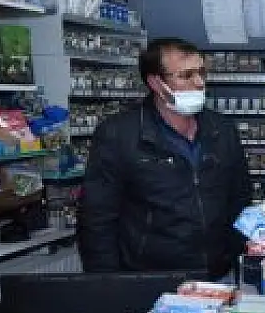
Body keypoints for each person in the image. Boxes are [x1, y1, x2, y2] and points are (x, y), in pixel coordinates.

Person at [78, 37, 251, 279]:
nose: (199, 83)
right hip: (151, 280)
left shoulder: (222, 129)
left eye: (201, 72)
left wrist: (240, 257)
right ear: (156, 83)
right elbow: (97, 219)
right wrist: (107, 285)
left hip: (219, 275)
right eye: (186, 75)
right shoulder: (119, 135)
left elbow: (240, 199)